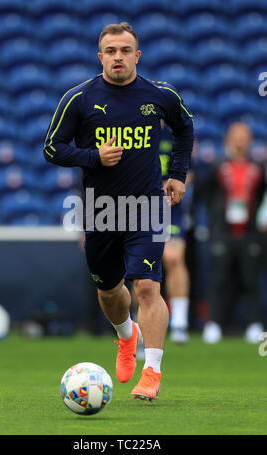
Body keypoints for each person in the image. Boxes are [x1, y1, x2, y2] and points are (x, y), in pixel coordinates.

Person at [44, 22, 194, 401]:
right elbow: (51, 148)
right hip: (102, 210)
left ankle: (153, 372)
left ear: (137, 55)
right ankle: (126, 337)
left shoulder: (160, 95)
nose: (118, 57)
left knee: (146, 286)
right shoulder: (79, 98)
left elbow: (185, 128)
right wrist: (94, 156)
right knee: (110, 293)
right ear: (101, 57)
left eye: (125, 50)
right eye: (110, 51)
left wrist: (176, 174)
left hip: (148, 205)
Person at [194, 123, 265, 343]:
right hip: (222, 233)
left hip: (250, 232)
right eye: (236, 137)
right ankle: (214, 324)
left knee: (252, 279)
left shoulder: (259, 168)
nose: (240, 141)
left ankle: (254, 324)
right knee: (218, 280)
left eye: (244, 137)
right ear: (228, 140)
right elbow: (202, 193)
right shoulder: (217, 166)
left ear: (250, 140)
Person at [160, 123, 192, 344]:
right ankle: (139, 331)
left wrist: (173, 185)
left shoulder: (175, 135)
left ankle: (179, 324)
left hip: (171, 209)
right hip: (139, 206)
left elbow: (189, 171)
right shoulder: (130, 128)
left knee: (174, 260)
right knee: (142, 271)